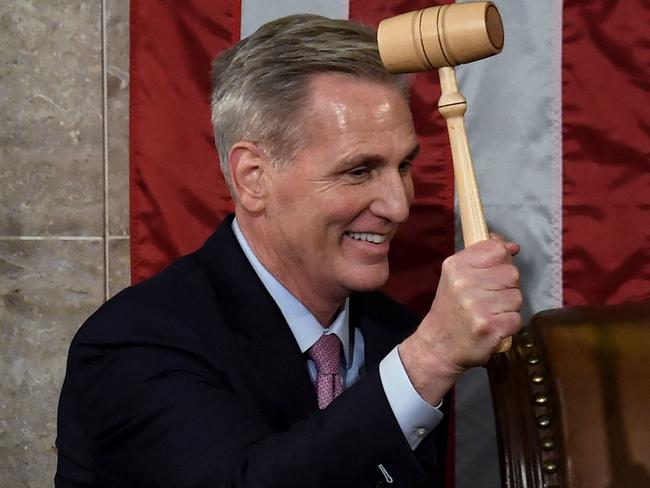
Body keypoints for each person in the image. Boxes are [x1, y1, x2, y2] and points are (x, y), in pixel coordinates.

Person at [55, 14, 522, 488]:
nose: (398, 206)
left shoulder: (394, 334)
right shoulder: (131, 344)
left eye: (403, 165)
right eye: (359, 171)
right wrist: (431, 360)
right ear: (252, 178)